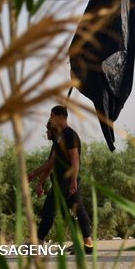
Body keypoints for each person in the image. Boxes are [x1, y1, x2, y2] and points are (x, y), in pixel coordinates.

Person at [28, 106, 94, 254]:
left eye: (52, 116)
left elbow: (75, 158)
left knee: (49, 209)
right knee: (79, 209)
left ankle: (37, 245)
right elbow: (51, 163)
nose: (50, 119)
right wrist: (34, 174)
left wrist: (73, 180)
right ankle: (88, 244)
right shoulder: (59, 137)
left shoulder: (70, 135)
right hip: (65, 181)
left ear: (60, 117)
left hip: (66, 180)